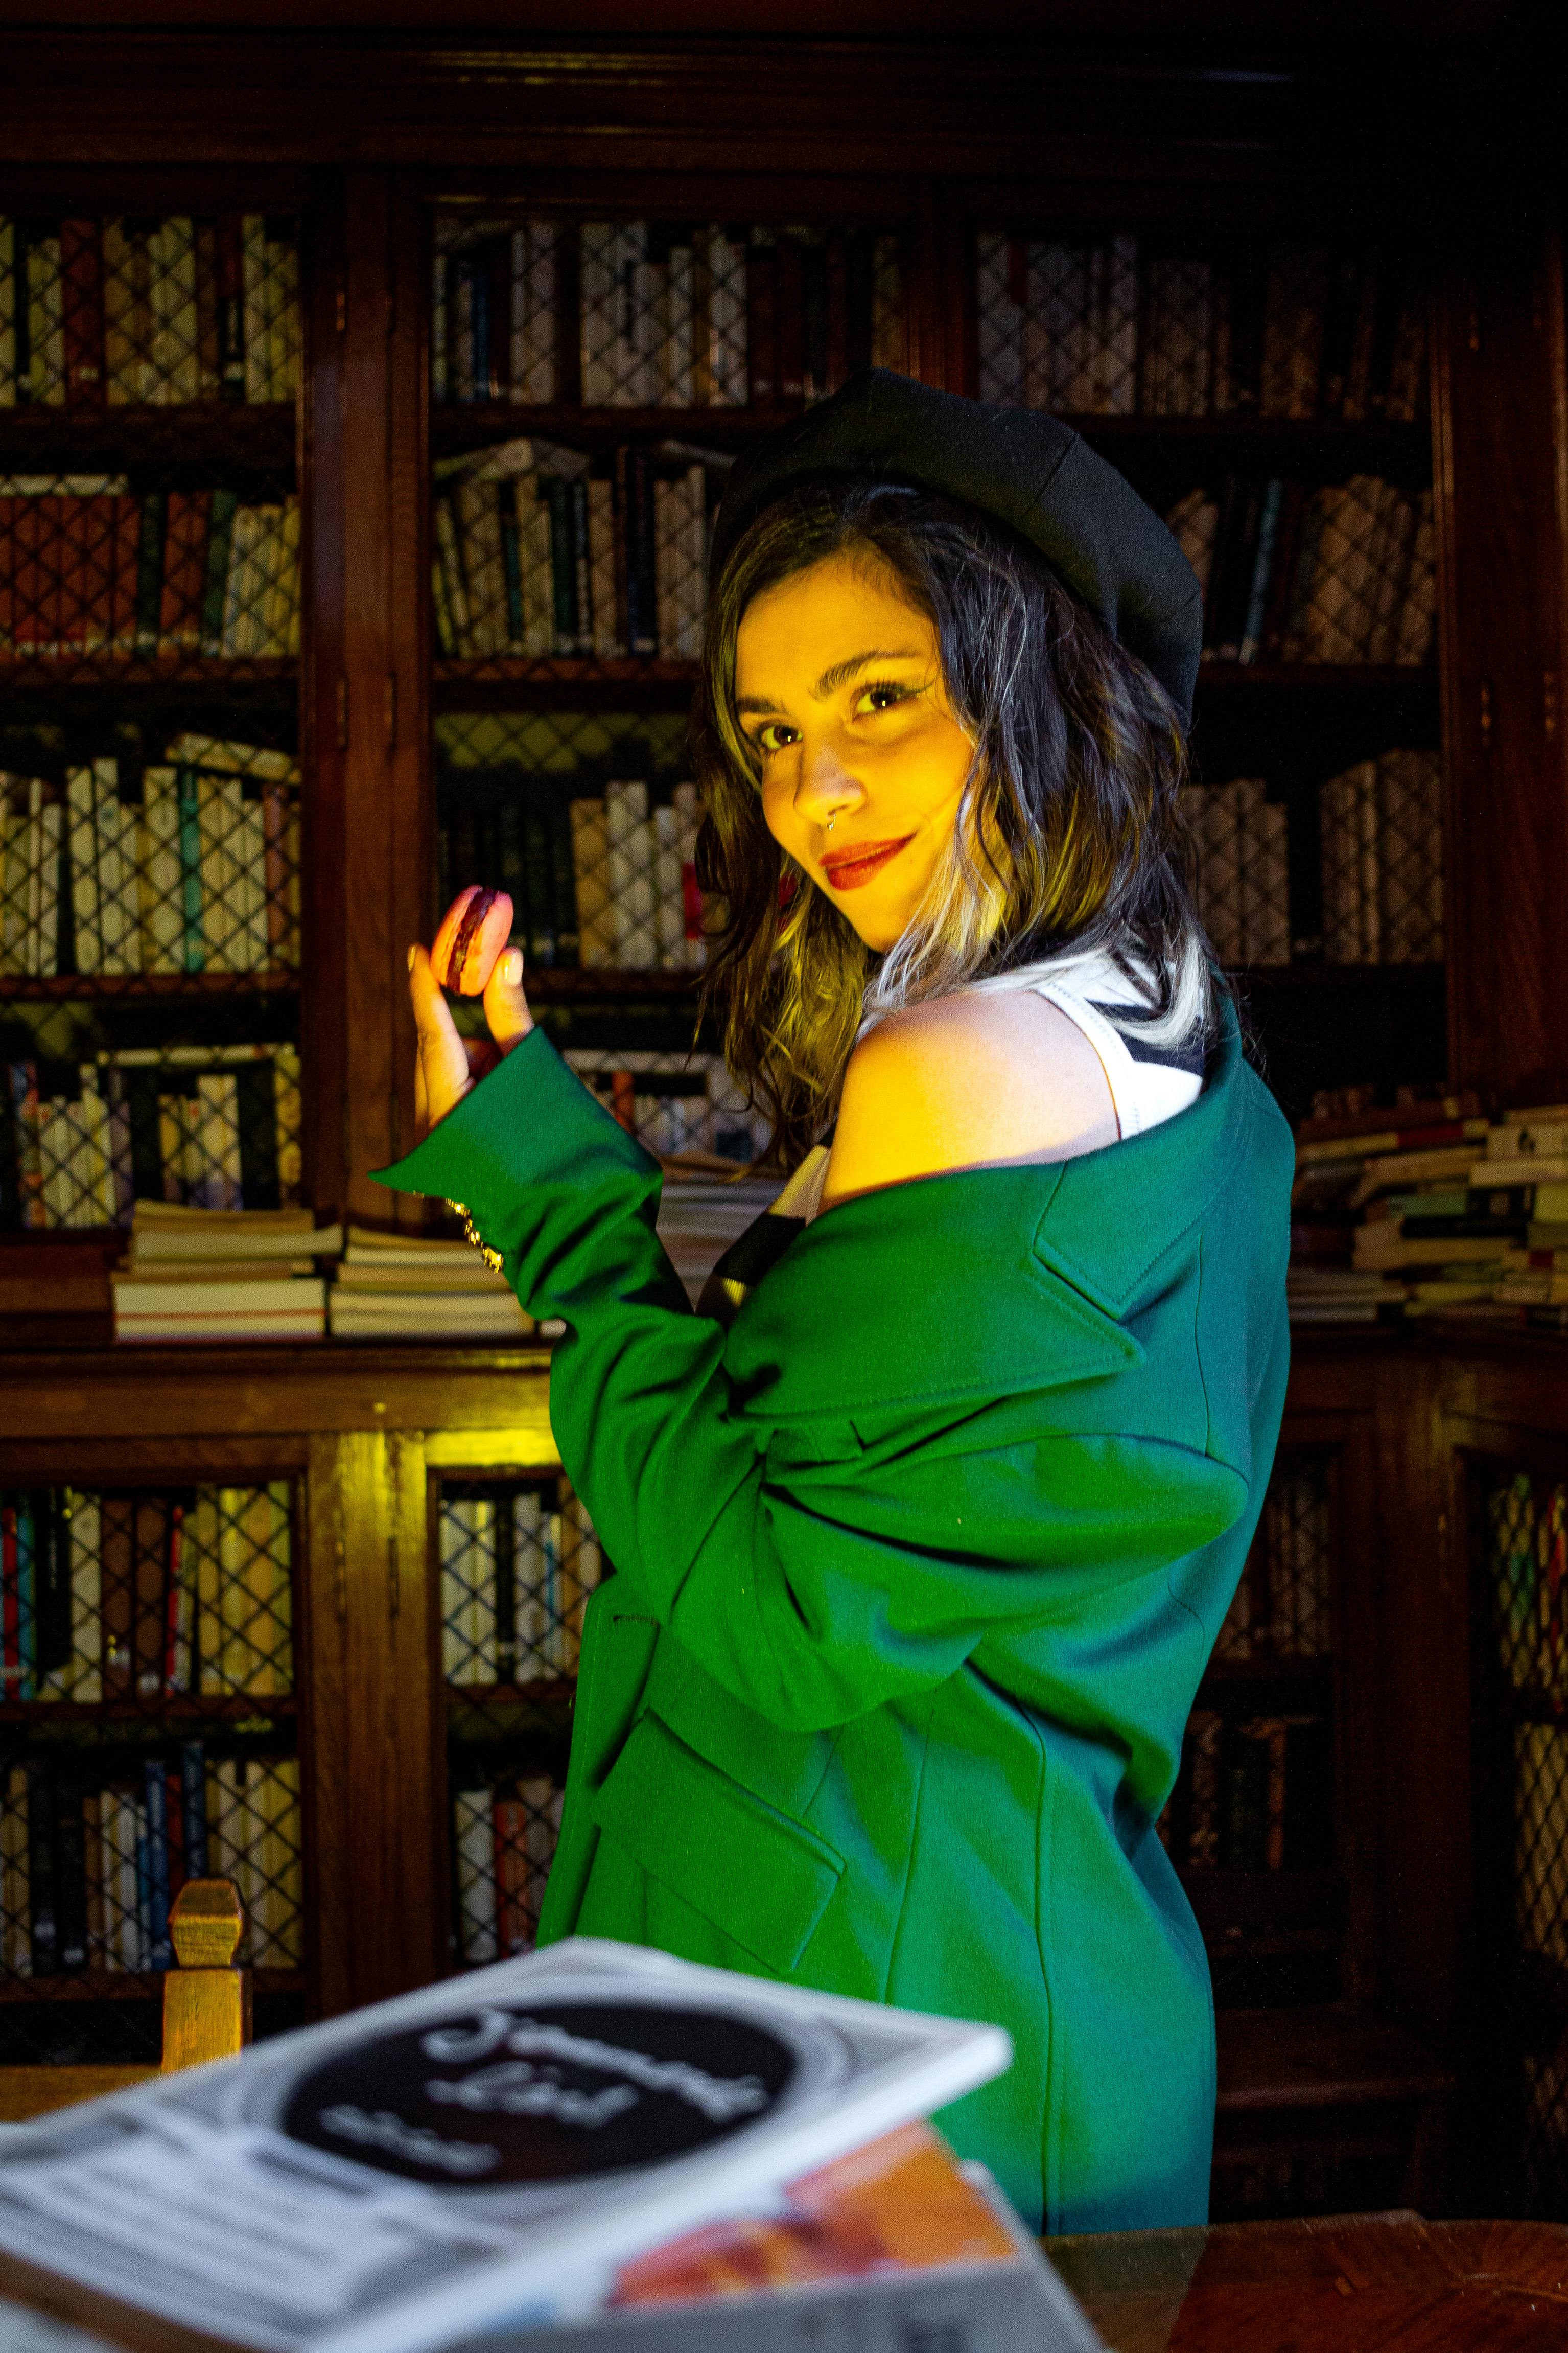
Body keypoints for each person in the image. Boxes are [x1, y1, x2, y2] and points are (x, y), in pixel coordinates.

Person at [378, 371, 1293, 2235]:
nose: (815, 792)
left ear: (1045, 681)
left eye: (883, 700)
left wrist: (553, 1207)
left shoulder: (967, 1062)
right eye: (772, 728)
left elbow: (792, 1617)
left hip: (879, 2015)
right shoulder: (1165, 1026)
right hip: (939, 1970)